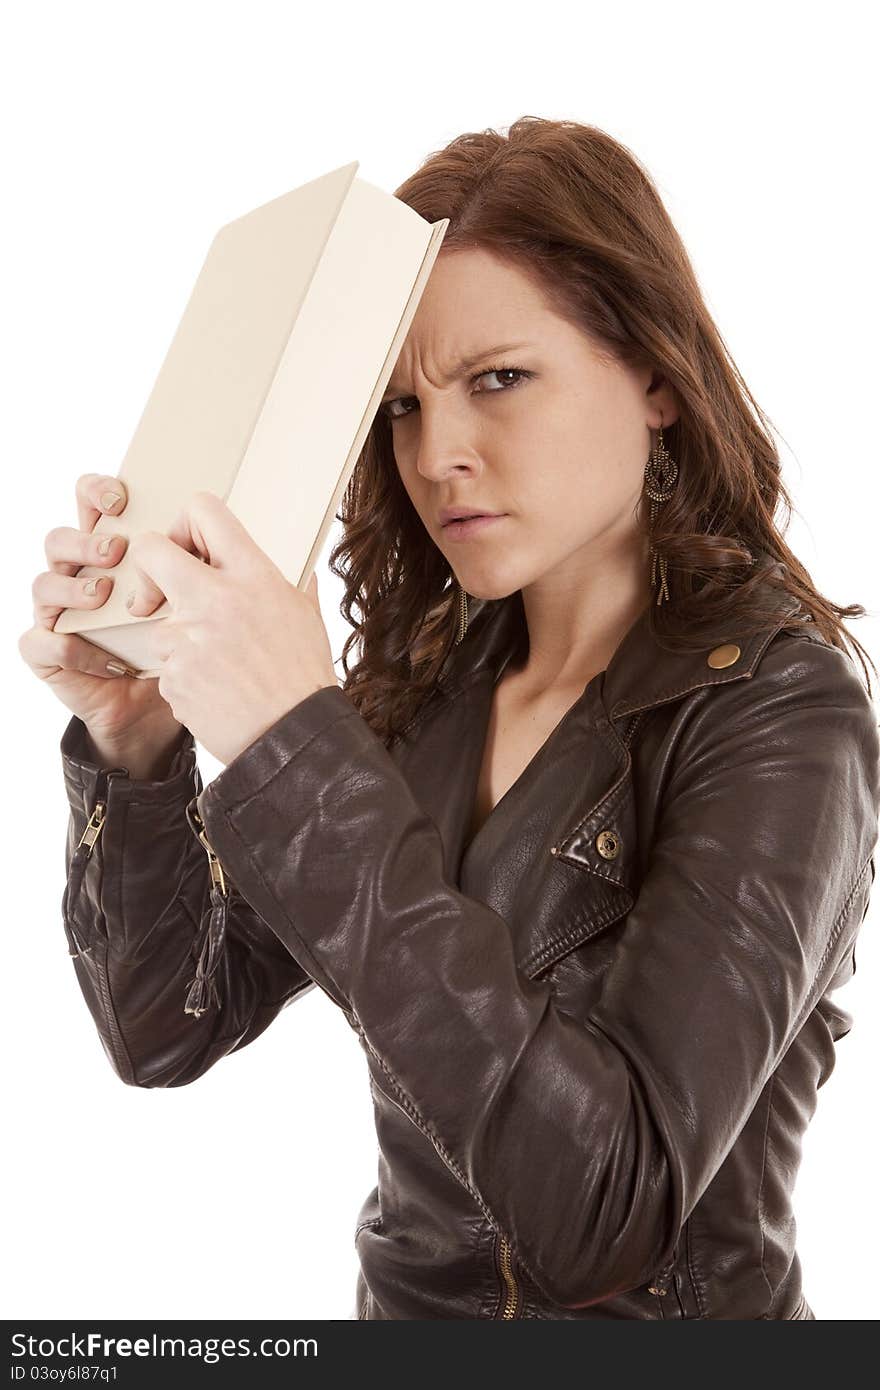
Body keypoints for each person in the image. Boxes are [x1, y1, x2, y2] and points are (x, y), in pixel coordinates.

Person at [20, 117, 880, 1320]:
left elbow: (605, 1215)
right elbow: (169, 1020)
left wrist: (296, 743)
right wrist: (136, 739)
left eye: (498, 380)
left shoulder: (784, 716)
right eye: (402, 407)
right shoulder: (427, 689)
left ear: (655, 377)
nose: (440, 455)